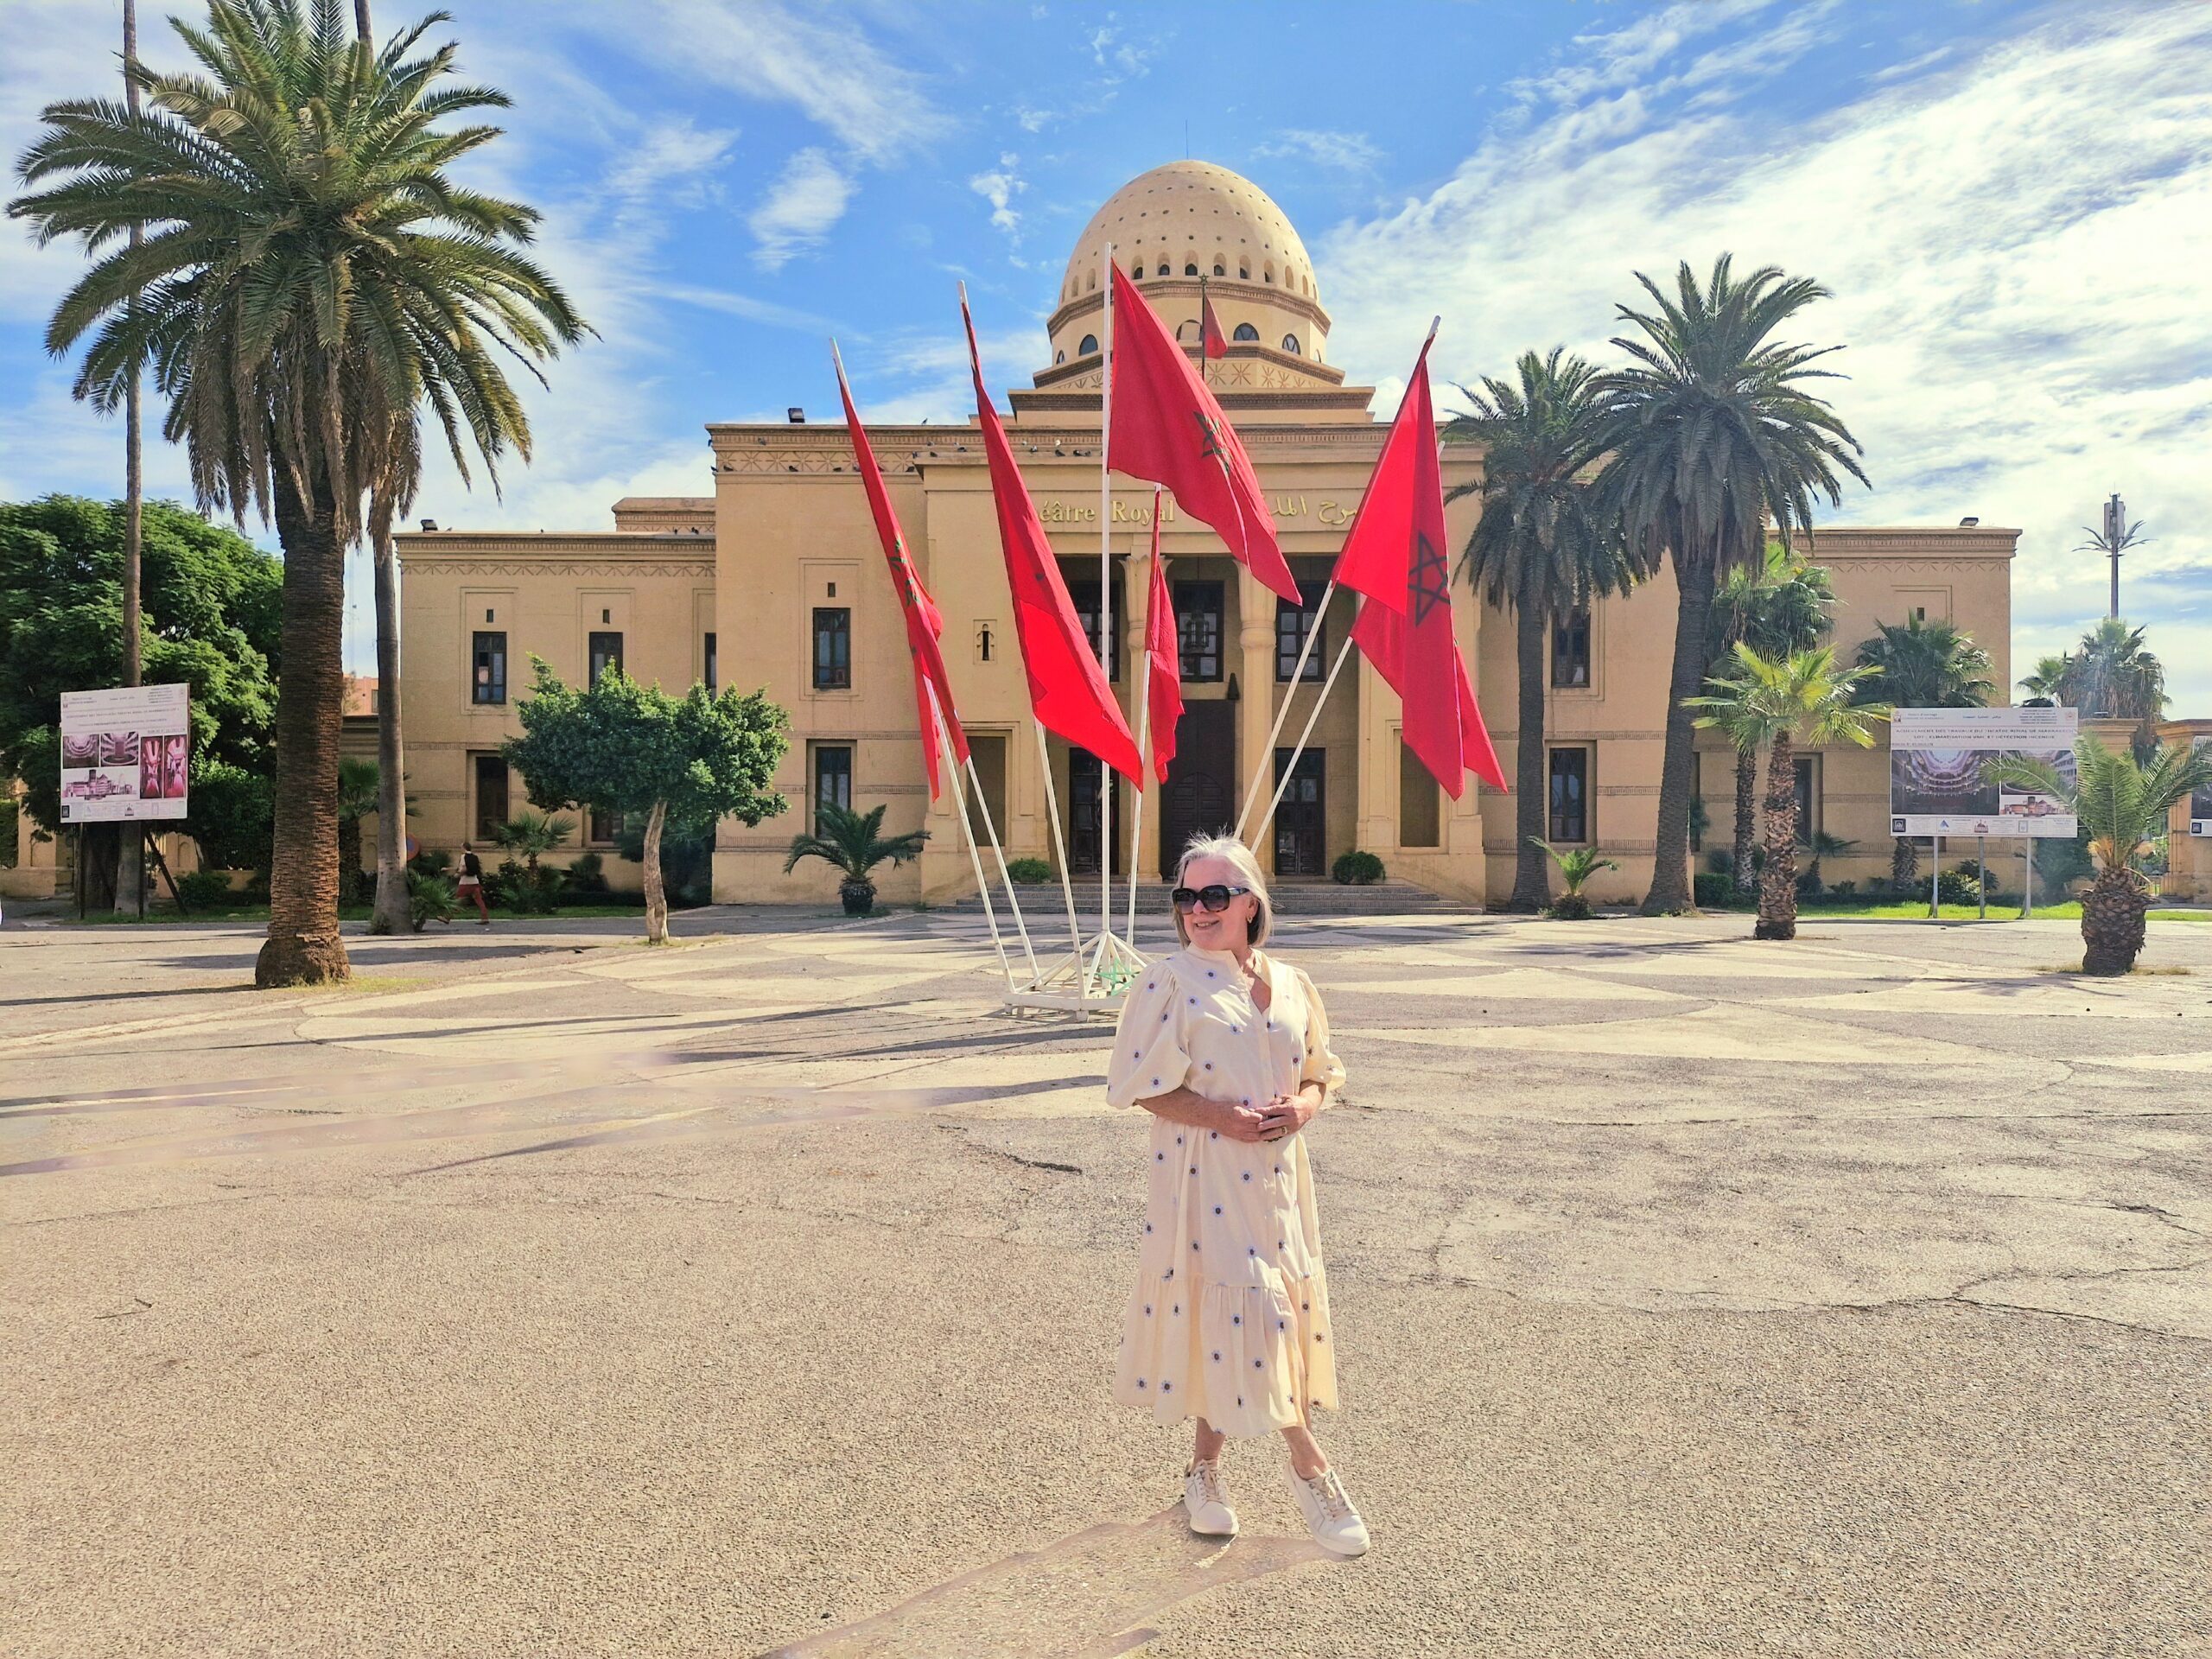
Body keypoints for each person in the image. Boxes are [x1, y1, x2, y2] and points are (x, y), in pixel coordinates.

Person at [1106, 833, 1370, 1557]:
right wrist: (1221, 1116)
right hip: (1204, 1177)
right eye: (1186, 897)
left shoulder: (1292, 983)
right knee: (1259, 1313)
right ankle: (1311, 1469)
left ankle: (1204, 1471)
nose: (1198, 909)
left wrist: (1305, 1108)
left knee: (1231, 1319)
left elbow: (1320, 1071)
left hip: (1280, 1183)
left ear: (1251, 903)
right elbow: (1135, 1087)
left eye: (1215, 895)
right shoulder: (1166, 982)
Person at [456, 843, 490, 926]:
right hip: (474, 881)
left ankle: (447, 917)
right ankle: (485, 917)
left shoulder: (463, 856)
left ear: (464, 848)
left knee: (457, 899)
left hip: (465, 881)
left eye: (461, 847)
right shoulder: (475, 857)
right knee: (479, 900)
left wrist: (458, 875)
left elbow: (464, 869)